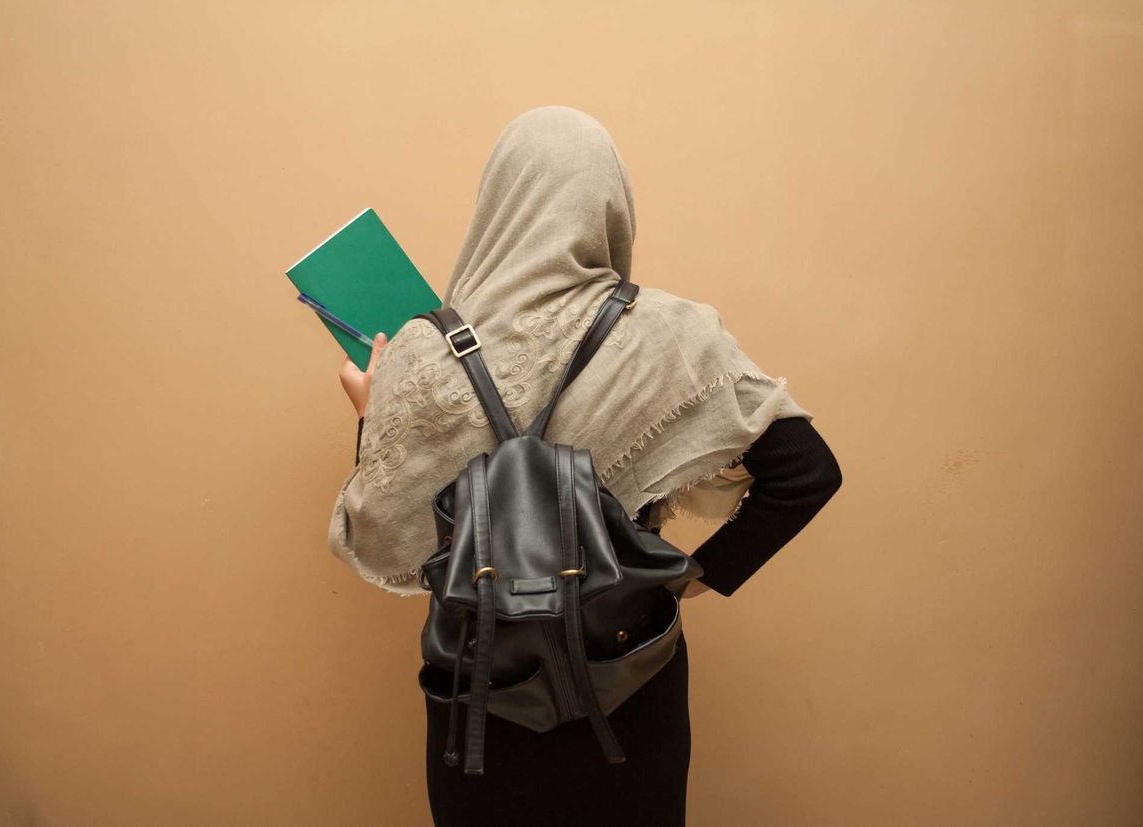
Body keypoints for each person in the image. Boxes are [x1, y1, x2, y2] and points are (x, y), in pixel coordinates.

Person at [329, 105, 842, 827]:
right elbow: (808, 472)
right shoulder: (674, 337)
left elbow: (380, 542)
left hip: (479, 708)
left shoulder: (422, 355)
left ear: (498, 202)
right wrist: (697, 576)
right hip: (631, 691)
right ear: (609, 206)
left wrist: (372, 415)